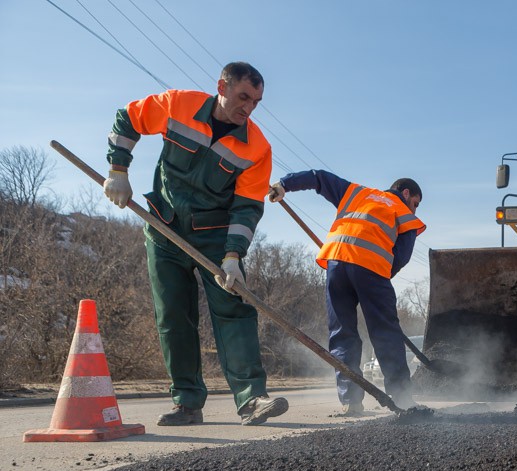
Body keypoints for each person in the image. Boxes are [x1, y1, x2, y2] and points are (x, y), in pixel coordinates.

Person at [103, 62, 288, 427]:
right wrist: (118, 171)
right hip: (164, 227)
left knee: (235, 308)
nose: (248, 108)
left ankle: (252, 399)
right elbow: (127, 118)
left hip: (216, 238)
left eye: (256, 102)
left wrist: (233, 256)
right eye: (243, 97)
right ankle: (187, 403)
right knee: (173, 315)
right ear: (222, 86)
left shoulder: (257, 148)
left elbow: (248, 208)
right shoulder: (178, 105)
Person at [268, 171, 425, 414]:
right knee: (385, 333)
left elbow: (318, 177)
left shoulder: (357, 193)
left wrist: (284, 185)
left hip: (336, 264)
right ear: (406, 193)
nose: (414, 209)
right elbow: (401, 257)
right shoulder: (405, 214)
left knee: (342, 333)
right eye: (415, 203)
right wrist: (377, 281)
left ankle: (351, 402)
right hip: (372, 269)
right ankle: (404, 398)